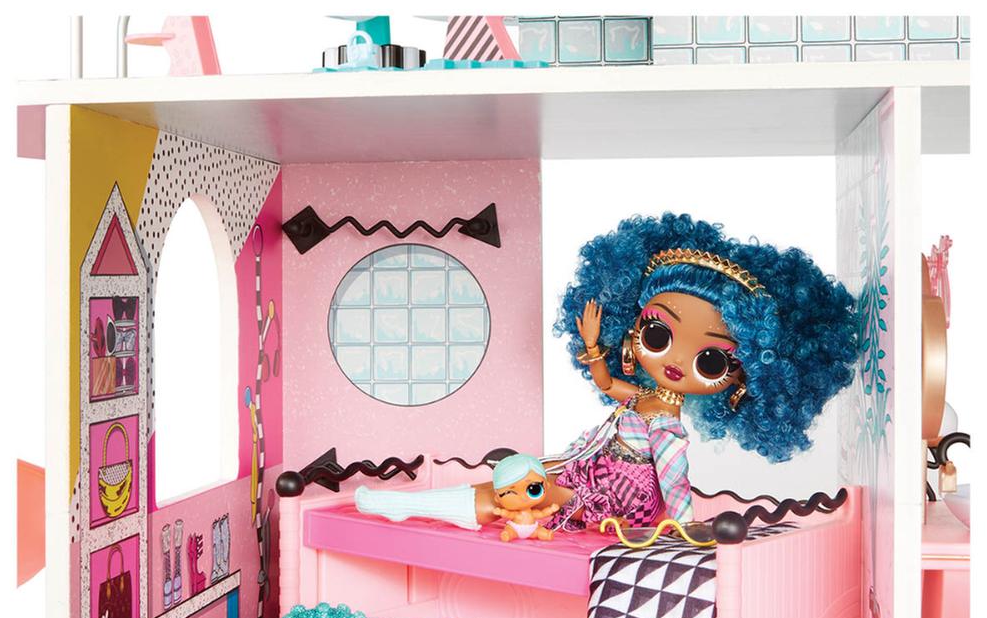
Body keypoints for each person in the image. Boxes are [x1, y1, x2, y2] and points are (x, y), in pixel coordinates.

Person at [355, 213, 858, 533]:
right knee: (522, 478)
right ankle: (407, 506)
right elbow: (608, 384)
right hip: (593, 469)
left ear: (746, 377)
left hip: (622, 494)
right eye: (658, 335)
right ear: (633, 327)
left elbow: (674, 478)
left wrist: (685, 528)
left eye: (711, 361)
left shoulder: (666, 424)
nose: (674, 363)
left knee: (520, 494)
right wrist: (594, 346)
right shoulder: (645, 398)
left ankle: (406, 509)